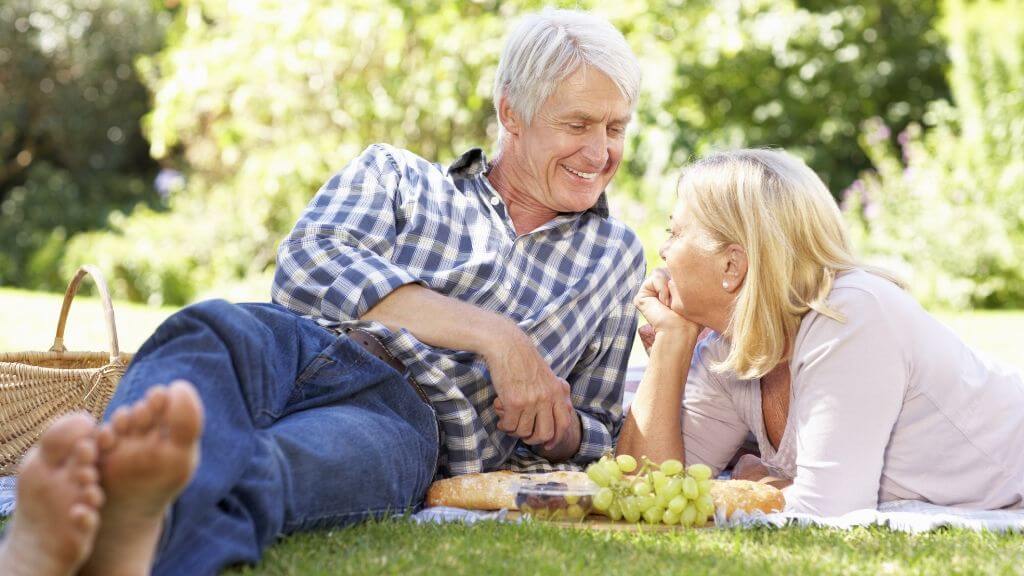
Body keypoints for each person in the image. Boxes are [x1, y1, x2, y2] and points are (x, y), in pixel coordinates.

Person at [0, 9, 645, 575]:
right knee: (209, 330)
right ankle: (104, 497)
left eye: (615, 128)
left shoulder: (614, 257)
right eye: (579, 124)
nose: (600, 150)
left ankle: (109, 545)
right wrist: (499, 338)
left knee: (274, 472)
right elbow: (308, 266)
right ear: (512, 113)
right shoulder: (397, 175)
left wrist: (556, 429)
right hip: (300, 343)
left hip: (404, 417)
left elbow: (599, 435)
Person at [617, 148, 1024, 517]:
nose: (664, 250)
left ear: (732, 266)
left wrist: (760, 483)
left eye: (675, 232)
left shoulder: (850, 316)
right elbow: (645, 490)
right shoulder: (729, 345)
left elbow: (824, 514)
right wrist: (673, 345)